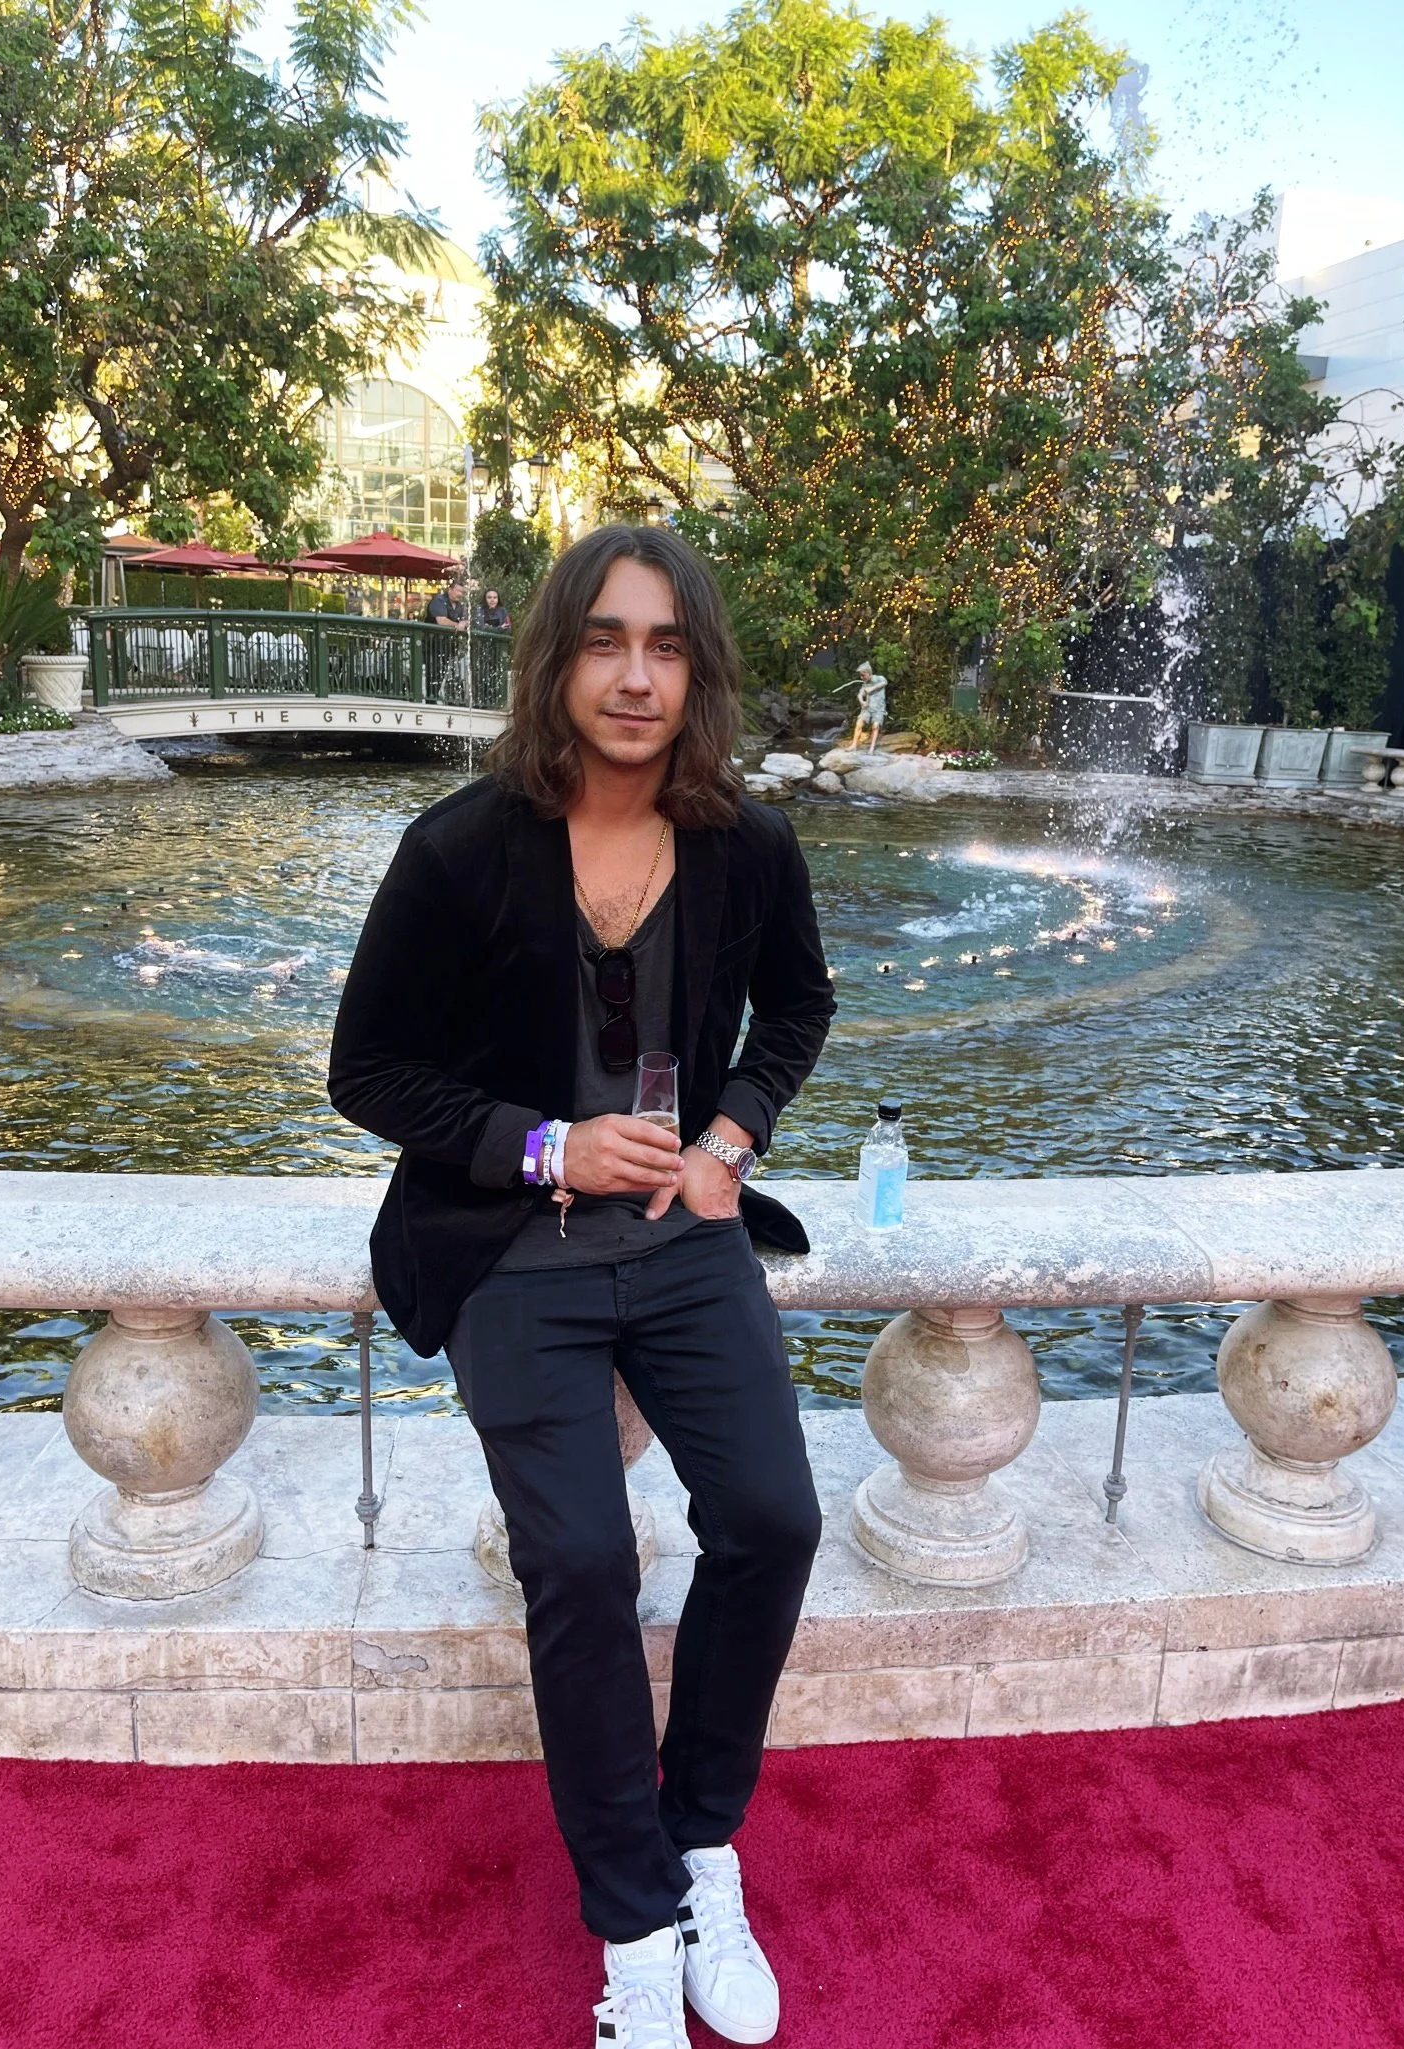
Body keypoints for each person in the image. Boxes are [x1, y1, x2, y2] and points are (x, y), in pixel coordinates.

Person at [329, 525, 834, 2047]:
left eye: (666, 644)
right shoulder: (461, 847)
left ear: (699, 669)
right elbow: (366, 1070)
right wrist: (543, 1141)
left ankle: (696, 1843)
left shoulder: (745, 842)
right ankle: (630, 1927)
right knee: (578, 1561)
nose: (634, 674)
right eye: (606, 640)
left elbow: (800, 1002)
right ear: (557, 660)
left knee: (773, 1516)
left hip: (684, 1244)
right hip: (509, 1255)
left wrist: (732, 1136)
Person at [849, 658, 888, 751]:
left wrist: (872, 688)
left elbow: (884, 683)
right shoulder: (865, 683)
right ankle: (854, 745)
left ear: (868, 673)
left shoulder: (879, 678)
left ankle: (872, 748)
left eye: (863, 675)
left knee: (875, 725)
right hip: (868, 707)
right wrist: (862, 702)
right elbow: (860, 694)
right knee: (859, 723)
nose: (862, 678)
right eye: (860, 676)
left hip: (878, 708)